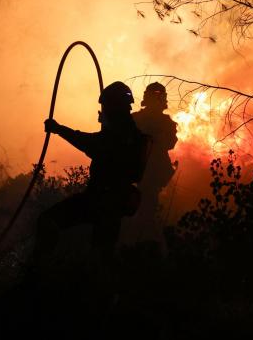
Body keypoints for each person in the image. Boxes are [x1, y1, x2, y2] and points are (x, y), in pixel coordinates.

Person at [33, 81, 149, 268]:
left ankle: (38, 274)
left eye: (105, 106)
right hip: (115, 204)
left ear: (113, 106)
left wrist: (58, 129)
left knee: (48, 221)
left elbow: (90, 143)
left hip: (100, 201)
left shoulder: (117, 136)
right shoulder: (131, 134)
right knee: (102, 255)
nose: (103, 110)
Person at [129, 82, 179, 242]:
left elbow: (170, 143)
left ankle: (147, 244)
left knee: (147, 213)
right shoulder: (135, 119)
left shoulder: (165, 122)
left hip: (151, 175)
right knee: (135, 214)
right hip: (135, 173)